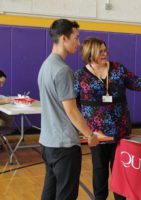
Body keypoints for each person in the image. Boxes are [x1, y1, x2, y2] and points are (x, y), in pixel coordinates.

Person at [74, 37, 141, 200]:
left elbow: (136, 82)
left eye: (105, 50)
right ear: (89, 53)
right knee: (99, 172)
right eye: (100, 51)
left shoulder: (118, 68)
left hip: (120, 130)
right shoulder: (80, 76)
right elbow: (73, 104)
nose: (105, 53)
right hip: (97, 135)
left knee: (121, 173)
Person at [38, 19, 99, 200]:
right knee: (66, 195)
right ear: (64, 38)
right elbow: (71, 110)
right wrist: (89, 134)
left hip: (47, 143)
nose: (78, 43)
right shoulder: (63, 70)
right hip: (63, 146)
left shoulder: (45, 65)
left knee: (49, 192)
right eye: (76, 38)